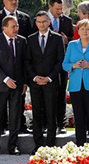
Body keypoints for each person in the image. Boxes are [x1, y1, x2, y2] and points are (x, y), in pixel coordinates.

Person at [0, 16, 27, 156]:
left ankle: (13, 147)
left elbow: (24, 63)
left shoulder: (22, 41)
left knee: (15, 117)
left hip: (17, 86)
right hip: (0, 86)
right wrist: (6, 79)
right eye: (13, 26)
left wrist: (24, 83)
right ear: (4, 28)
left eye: (17, 26)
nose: (16, 29)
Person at [25, 12, 65, 153]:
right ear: (36, 23)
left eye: (44, 21)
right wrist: (35, 77)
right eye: (39, 22)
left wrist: (49, 77)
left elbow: (60, 60)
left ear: (49, 22)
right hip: (35, 83)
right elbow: (27, 61)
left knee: (51, 113)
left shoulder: (57, 38)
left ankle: (50, 145)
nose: (42, 24)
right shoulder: (30, 39)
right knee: (36, 114)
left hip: (51, 82)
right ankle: (38, 146)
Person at [47, 0, 74, 134]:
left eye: (61, 9)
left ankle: (61, 123)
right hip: (46, 63)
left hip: (62, 62)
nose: (59, 12)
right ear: (50, 7)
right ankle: (46, 123)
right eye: (57, 9)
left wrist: (65, 39)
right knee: (46, 94)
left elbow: (73, 38)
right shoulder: (41, 20)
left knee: (61, 92)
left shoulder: (67, 20)